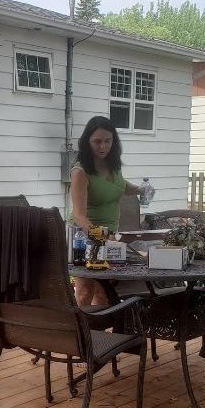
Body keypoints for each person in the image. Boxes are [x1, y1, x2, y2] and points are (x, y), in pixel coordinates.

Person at [70, 116, 143, 306]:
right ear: (87, 142)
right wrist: (100, 236)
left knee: (105, 293)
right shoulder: (80, 172)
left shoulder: (113, 164)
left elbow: (119, 186)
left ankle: (98, 334)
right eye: (97, 142)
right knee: (86, 291)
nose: (103, 147)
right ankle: (83, 333)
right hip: (84, 238)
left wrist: (141, 189)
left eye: (107, 141)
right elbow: (79, 216)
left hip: (109, 236)